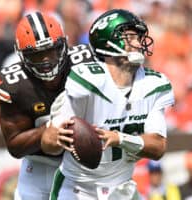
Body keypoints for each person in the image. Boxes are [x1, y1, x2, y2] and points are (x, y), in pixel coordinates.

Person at [44, 9, 175, 200]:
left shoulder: (154, 84)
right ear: (107, 43)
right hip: (77, 187)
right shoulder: (87, 80)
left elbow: (158, 147)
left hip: (121, 188)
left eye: (139, 37)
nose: (138, 43)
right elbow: (49, 144)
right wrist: (54, 136)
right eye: (130, 37)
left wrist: (119, 139)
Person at [0, 11, 95, 200]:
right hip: (39, 167)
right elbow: (14, 145)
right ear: (21, 55)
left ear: (64, 44)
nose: (46, 60)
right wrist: (46, 132)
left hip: (84, 166)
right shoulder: (15, 85)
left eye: (51, 51)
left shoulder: (88, 63)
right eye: (37, 55)